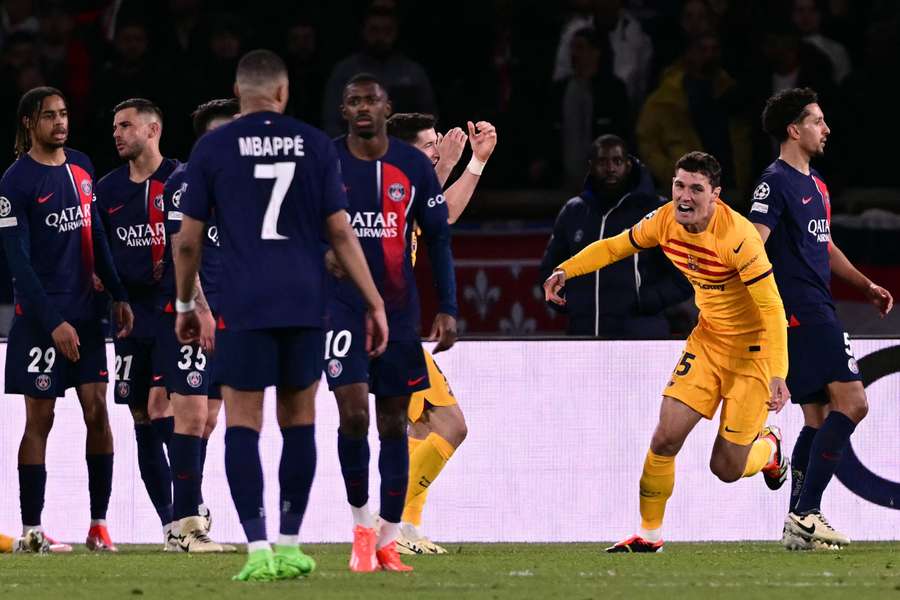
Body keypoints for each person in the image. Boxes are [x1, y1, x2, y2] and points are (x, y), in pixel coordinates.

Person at [173, 50, 387, 582]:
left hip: (243, 303)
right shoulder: (315, 144)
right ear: (284, 93)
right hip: (303, 301)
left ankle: (259, 549)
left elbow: (187, 242)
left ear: (239, 91)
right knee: (300, 422)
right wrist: (374, 301)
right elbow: (341, 232)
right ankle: (292, 543)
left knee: (243, 423)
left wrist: (185, 304)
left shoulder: (213, 147)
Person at [544, 151, 790, 552]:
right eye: (679, 186)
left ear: (716, 196)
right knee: (664, 438)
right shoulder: (663, 221)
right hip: (709, 342)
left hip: (755, 352)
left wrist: (779, 372)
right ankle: (649, 534)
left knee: (725, 467)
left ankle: (770, 451)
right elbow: (614, 247)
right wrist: (565, 269)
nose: (685, 196)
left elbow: (772, 308)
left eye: (696, 188)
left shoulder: (739, 237)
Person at [749, 88, 893, 550]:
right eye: (817, 121)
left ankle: (798, 523)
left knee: (817, 419)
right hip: (800, 311)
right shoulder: (774, 183)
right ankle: (806, 514)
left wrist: (865, 285)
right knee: (854, 404)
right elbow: (752, 243)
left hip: (818, 306)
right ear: (794, 130)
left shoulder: (817, 185)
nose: (825, 129)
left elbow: (824, 245)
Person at [325, 74, 457, 572]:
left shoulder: (414, 167)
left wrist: (448, 306)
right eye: (354, 101)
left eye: (371, 100)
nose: (363, 108)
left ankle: (388, 537)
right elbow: (295, 224)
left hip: (401, 313)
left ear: (386, 108)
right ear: (345, 110)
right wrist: (322, 254)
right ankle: (361, 528)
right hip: (340, 309)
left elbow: (439, 237)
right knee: (354, 416)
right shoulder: (326, 161)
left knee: (393, 424)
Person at [0, 86, 133, 553]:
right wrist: (54, 322)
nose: (60, 123)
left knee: (98, 411)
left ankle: (98, 525)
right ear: (28, 124)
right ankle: (32, 530)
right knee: (41, 419)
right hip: (41, 320)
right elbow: (19, 264)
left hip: (87, 314)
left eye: (63, 114)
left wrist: (117, 292)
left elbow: (95, 231)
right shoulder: (14, 183)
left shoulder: (81, 166)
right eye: (49, 116)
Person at [385, 111, 496, 554]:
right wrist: (451, 165)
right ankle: (391, 520)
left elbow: (437, 214)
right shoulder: (387, 185)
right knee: (449, 425)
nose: (437, 149)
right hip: (383, 328)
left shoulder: (402, 187)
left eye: (436, 144)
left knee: (427, 429)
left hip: (397, 328)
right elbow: (440, 211)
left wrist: (474, 163)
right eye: (429, 145)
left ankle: (405, 526)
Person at [156, 98, 242, 552]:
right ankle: (184, 526)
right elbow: (181, 253)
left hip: (228, 319)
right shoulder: (184, 181)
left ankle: (188, 515)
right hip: (190, 317)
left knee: (207, 420)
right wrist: (199, 308)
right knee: (188, 418)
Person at [94, 98, 179, 550]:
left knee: (166, 406)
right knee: (141, 415)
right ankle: (169, 524)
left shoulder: (180, 180)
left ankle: (189, 509)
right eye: (114, 127)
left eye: (125, 125)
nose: (117, 134)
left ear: (152, 130)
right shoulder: (107, 192)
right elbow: (97, 253)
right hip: (128, 317)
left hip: (171, 313)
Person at [540, 134, 692, 337]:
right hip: (583, 337)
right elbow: (549, 270)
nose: (611, 168)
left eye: (617, 161)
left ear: (628, 165)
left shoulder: (656, 210)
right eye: (603, 162)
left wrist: (644, 299)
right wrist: (572, 303)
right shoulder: (573, 211)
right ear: (591, 166)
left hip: (640, 337)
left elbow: (687, 275)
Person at [321, 7, 436, 137]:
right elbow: (332, 121)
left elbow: (429, 121)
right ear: (364, 31)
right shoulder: (345, 71)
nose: (380, 37)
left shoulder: (413, 74)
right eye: (374, 30)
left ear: (396, 32)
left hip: (405, 147)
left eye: (387, 31)